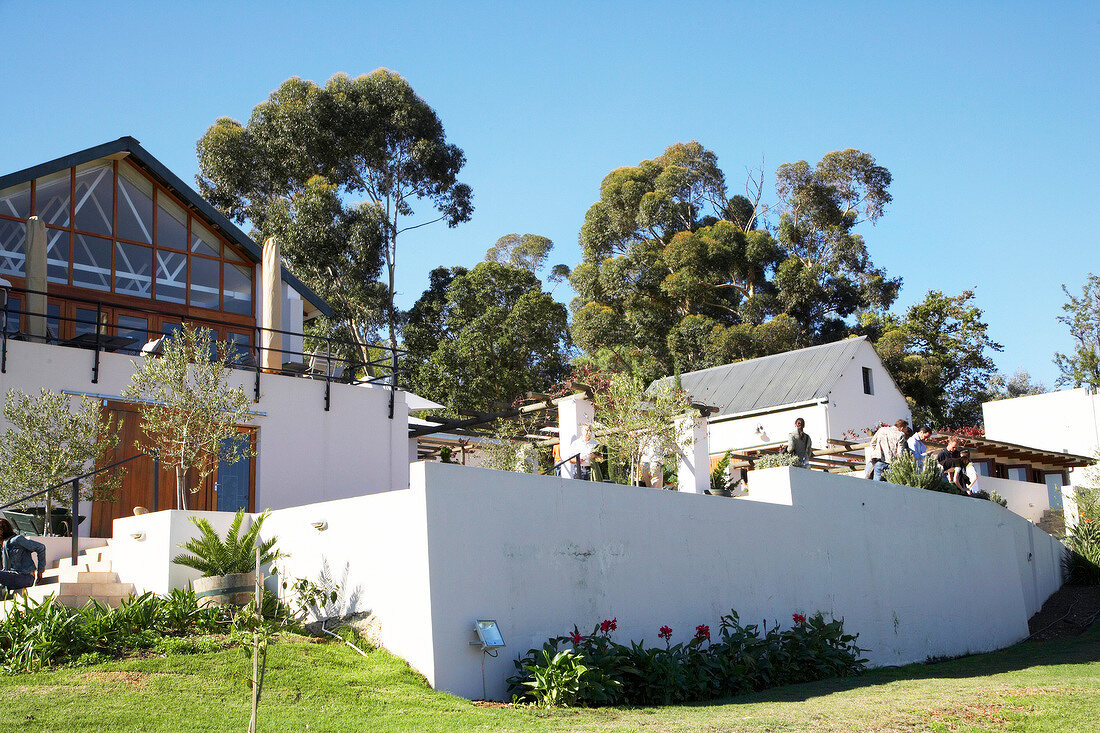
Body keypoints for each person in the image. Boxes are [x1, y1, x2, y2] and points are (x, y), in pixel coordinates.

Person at [0, 518, 45, 594]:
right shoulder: (3, 546)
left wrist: (40, 571)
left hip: (25, 577)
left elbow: (40, 547)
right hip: (10, 577)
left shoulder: (17, 540)